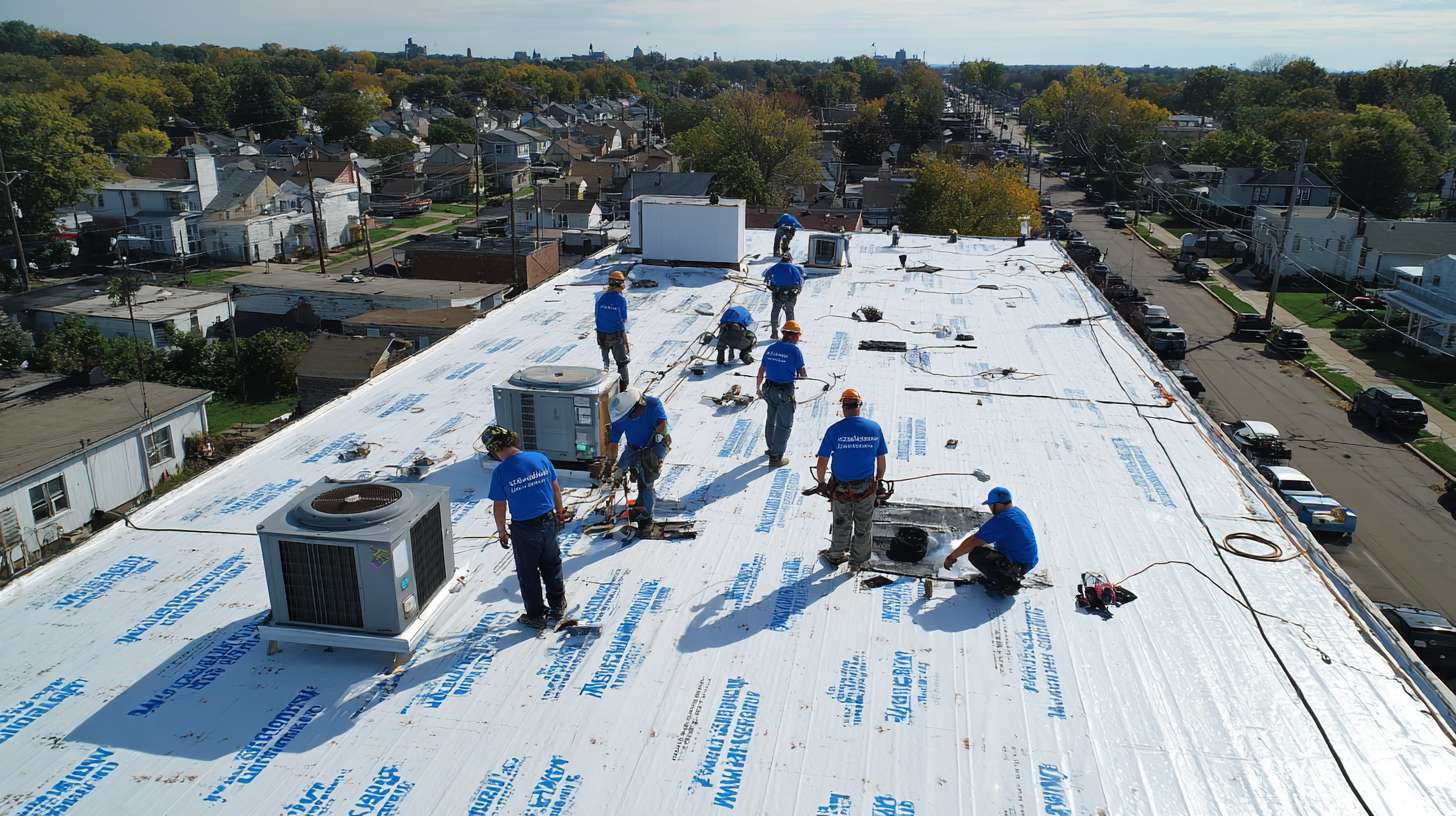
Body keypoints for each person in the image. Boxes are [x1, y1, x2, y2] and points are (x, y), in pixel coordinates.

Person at [484, 425, 567, 629]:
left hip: (525, 529)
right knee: (552, 565)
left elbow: (500, 505)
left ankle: (536, 615)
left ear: (494, 449)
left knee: (528, 573)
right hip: (549, 522)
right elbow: (555, 488)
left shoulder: (501, 472)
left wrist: (501, 531)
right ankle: (558, 606)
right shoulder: (539, 458)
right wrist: (560, 513)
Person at [814, 389, 888, 569]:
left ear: (843, 407)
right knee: (864, 524)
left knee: (841, 521)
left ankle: (836, 554)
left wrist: (821, 482)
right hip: (866, 488)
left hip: (841, 487)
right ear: (859, 406)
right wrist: (879, 480)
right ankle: (858, 561)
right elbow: (881, 459)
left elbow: (823, 460)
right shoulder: (874, 428)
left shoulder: (834, 430)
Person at [942, 486, 1039, 595]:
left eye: (990, 505)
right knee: (984, 547)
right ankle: (1008, 573)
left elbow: (973, 541)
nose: (990, 508)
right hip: (1027, 560)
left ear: (997, 505)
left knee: (977, 554)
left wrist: (951, 557)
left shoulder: (1003, 520)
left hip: (1019, 565)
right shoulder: (1017, 512)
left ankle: (1007, 584)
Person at [606, 387, 671, 531]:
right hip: (634, 446)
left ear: (638, 404)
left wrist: (653, 447)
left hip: (655, 443)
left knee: (646, 480)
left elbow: (663, 426)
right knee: (622, 471)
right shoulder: (622, 417)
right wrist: (613, 464)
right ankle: (640, 503)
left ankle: (647, 516)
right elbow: (613, 443)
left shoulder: (652, 404)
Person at [755, 320, 806, 468]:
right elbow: (803, 374)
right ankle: (776, 458)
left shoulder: (771, 348)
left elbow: (761, 370)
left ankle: (771, 448)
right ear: (793, 336)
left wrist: (758, 388)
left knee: (771, 418)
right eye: (798, 336)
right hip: (784, 391)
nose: (798, 339)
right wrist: (800, 375)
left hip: (768, 389)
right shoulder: (795, 351)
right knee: (784, 425)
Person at [595, 270, 630, 391]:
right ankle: (624, 387)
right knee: (622, 362)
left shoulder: (600, 297)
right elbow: (623, 318)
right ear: (620, 284)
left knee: (606, 363)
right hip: (616, 335)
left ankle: (604, 385)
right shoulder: (620, 300)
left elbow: (597, 314)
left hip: (601, 334)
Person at [762, 252, 804, 339]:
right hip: (790, 294)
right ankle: (790, 334)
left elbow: (767, 278)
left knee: (775, 313)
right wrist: (797, 291)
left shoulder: (774, 267)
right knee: (789, 313)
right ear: (790, 260)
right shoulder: (794, 269)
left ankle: (774, 333)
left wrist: (772, 287)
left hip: (778, 293)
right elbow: (800, 281)